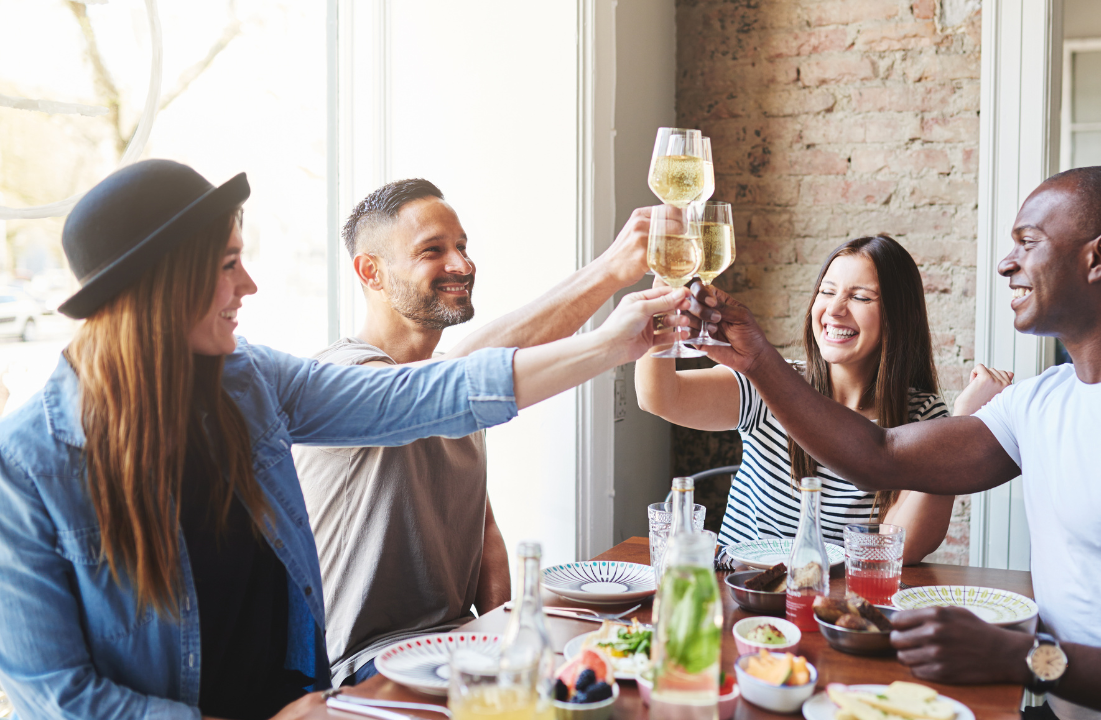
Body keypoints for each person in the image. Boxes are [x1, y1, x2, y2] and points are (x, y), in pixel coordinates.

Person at [0, 160, 692, 720]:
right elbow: (58, 694)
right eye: (227, 264)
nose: (251, 283)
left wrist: (611, 345)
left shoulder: (248, 383)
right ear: (164, 287)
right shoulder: (27, 467)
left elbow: (431, 394)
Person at [686, 166, 1101, 720]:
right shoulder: (1046, 401)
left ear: (1099, 256)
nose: (1006, 263)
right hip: (1054, 701)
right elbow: (879, 455)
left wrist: (1022, 658)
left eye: (1028, 242)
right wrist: (759, 359)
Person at [292, 178, 662, 686]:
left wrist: (503, 635)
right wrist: (608, 274)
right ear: (370, 272)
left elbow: (483, 531)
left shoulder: (452, 381)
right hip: (363, 666)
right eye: (432, 251)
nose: (462, 265)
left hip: (458, 644)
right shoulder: (342, 379)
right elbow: (445, 383)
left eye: (462, 247)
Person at [635, 235, 1012, 563]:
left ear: (898, 316)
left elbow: (902, 546)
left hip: (834, 606)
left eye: (860, 297)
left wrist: (960, 422)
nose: (834, 309)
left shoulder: (923, 415)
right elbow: (659, 398)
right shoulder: (771, 382)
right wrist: (664, 294)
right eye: (827, 292)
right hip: (742, 592)